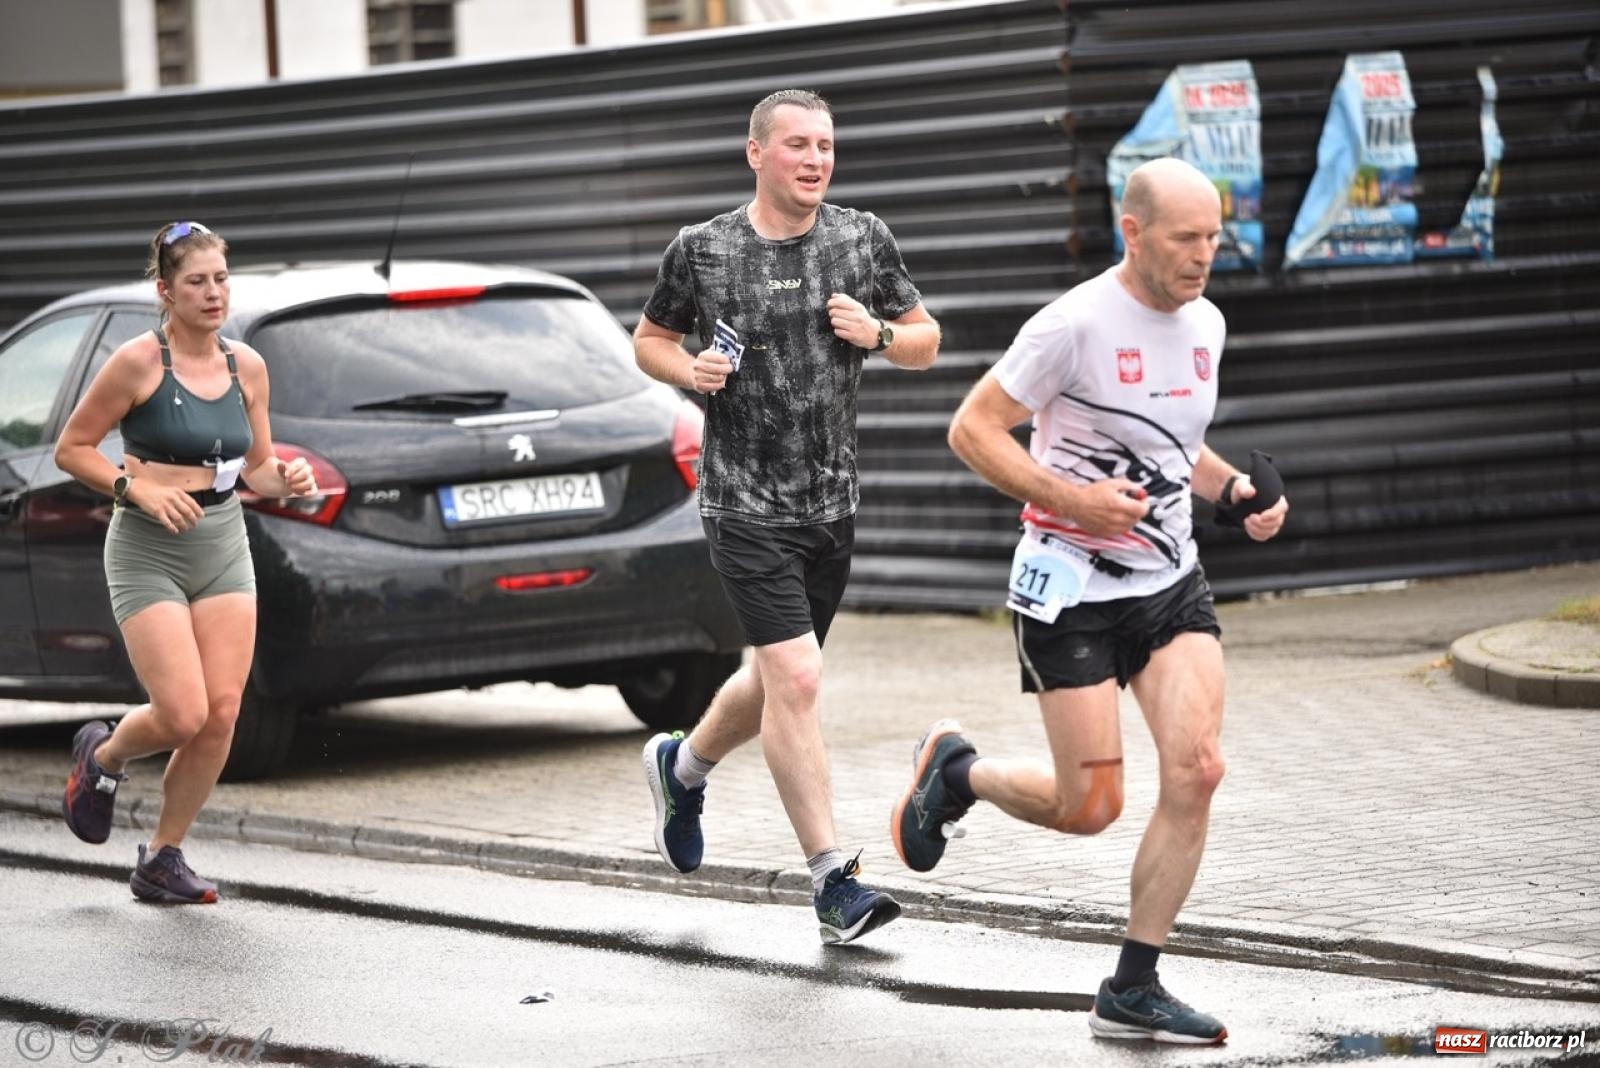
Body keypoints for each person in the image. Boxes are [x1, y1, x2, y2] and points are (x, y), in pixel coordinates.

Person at [892, 157, 1287, 1040]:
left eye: (1215, 237)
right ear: (1133, 232)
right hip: (1067, 591)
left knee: (1199, 769)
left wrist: (1232, 496)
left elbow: (1174, 442)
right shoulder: (1071, 325)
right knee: (1089, 810)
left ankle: (1132, 987)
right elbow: (971, 429)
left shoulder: (1207, 325)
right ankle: (955, 772)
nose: (1204, 255)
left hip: (1168, 583)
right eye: (1187, 238)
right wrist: (1075, 502)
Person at [633, 89, 942, 944]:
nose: (816, 159)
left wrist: (878, 333)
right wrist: (684, 369)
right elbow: (649, 338)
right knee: (800, 679)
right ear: (756, 153)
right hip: (742, 502)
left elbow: (927, 340)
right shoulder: (703, 249)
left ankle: (682, 768)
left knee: (778, 676)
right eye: (799, 145)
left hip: (830, 503)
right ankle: (831, 881)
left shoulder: (860, 237)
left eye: (827, 145)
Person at [55, 221, 316, 904]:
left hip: (222, 539)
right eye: (197, 281)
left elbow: (256, 468)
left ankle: (163, 857)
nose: (213, 293)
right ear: (166, 291)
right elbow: (73, 448)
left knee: (223, 712)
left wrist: (286, 479)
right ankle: (103, 757)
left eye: (221, 278)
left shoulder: (246, 366)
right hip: (146, 547)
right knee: (179, 713)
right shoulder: (138, 363)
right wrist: (134, 486)